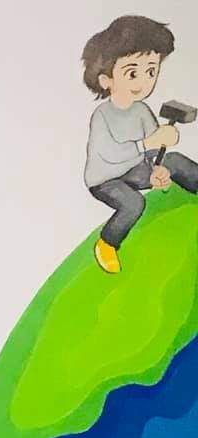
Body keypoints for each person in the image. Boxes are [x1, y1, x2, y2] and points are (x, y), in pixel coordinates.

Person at [80, 14, 198, 274]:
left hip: (135, 168)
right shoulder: (102, 116)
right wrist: (149, 142)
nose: (144, 81)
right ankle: (107, 243)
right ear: (106, 80)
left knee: (174, 161)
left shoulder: (142, 110)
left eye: (151, 71)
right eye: (132, 73)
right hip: (106, 179)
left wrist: (158, 169)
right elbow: (112, 154)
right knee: (133, 203)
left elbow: (153, 152)